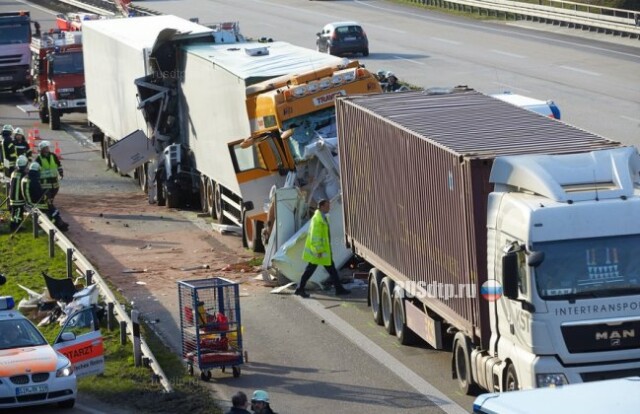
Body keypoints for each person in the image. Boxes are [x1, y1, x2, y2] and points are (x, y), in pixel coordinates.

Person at [295, 199, 351, 298]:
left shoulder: (322, 217)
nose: (329, 207)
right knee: (310, 271)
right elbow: (315, 236)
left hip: (323, 252)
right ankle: (300, 289)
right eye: (327, 205)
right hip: (319, 253)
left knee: (331, 271)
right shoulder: (318, 219)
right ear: (321, 207)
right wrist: (319, 250)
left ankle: (339, 289)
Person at [22, 162, 69, 231]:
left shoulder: (26, 177)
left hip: (28, 201)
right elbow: (38, 194)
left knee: (50, 204)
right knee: (51, 207)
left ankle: (59, 222)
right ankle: (59, 224)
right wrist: (46, 197)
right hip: (34, 203)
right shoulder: (34, 180)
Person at [8, 155, 29, 231]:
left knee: (15, 212)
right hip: (19, 197)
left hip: (12, 196)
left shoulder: (14, 172)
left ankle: (14, 225)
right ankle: (15, 227)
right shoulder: (23, 174)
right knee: (18, 213)